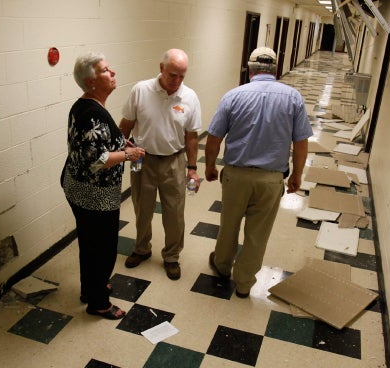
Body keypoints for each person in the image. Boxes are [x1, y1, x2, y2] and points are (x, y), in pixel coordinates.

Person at [204, 46, 313, 298]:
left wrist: (210, 166)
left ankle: (222, 266)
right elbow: (301, 142)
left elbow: (214, 137)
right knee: (257, 233)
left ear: (250, 68)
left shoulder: (233, 96)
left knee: (228, 225)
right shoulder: (293, 97)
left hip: (236, 176)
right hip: (271, 179)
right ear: (275, 69)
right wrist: (297, 175)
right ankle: (243, 283)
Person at [61, 52, 144, 320]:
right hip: (94, 196)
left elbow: (98, 142)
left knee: (89, 243)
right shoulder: (92, 113)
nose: (113, 72)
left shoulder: (85, 105)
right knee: (103, 249)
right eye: (106, 70)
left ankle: (91, 288)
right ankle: (98, 303)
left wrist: (121, 144)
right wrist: (129, 155)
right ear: (91, 81)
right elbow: (96, 160)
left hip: (77, 188)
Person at [119, 49, 202, 280]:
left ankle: (172, 256)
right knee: (141, 209)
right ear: (161, 68)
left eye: (182, 76)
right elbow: (125, 125)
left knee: (174, 213)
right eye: (172, 75)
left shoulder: (190, 97)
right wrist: (120, 153)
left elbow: (192, 136)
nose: (176, 81)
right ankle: (142, 249)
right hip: (142, 158)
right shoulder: (141, 90)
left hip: (174, 160)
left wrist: (192, 168)